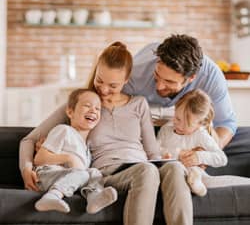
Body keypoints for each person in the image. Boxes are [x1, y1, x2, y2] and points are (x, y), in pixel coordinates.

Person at [20, 42, 161, 225]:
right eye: (99, 80)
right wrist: (26, 169)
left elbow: (154, 144)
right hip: (106, 173)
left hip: (135, 169)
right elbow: (28, 139)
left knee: (155, 171)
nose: (103, 90)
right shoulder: (83, 105)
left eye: (113, 85)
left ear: (126, 81)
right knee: (139, 171)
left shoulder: (137, 105)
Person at [121, 33, 237, 225]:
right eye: (157, 76)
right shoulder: (136, 71)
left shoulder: (211, 76)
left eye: (169, 82)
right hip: (144, 118)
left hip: (186, 129)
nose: (159, 85)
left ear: (191, 78)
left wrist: (203, 154)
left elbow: (227, 123)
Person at [33, 88, 118, 214]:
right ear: (70, 112)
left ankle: (93, 198)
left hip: (69, 179)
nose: (93, 110)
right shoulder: (64, 130)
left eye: (97, 108)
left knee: (94, 172)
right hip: (46, 176)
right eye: (87, 105)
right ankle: (52, 196)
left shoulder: (87, 149)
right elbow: (39, 158)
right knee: (83, 174)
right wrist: (68, 158)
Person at [157, 89, 250, 197]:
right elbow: (154, 151)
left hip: (195, 173)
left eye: (188, 124)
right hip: (169, 173)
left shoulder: (200, 134)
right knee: (175, 168)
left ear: (200, 124)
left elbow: (221, 158)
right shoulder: (166, 129)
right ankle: (193, 181)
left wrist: (199, 157)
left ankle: (195, 181)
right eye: (177, 118)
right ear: (175, 109)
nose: (179, 125)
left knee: (203, 176)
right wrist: (176, 154)